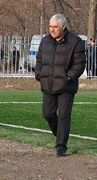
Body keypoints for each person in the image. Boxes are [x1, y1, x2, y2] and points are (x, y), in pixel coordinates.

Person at [35, 14, 86, 157]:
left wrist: (69, 76)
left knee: (64, 116)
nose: (52, 30)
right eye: (50, 27)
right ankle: (60, 135)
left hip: (66, 86)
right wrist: (39, 73)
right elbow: (39, 60)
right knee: (47, 114)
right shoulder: (45, 41)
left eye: (55, 27)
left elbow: (80, 64)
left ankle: (61, 146)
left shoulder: (75, 41)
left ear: (63, 26)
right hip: (48, 84)